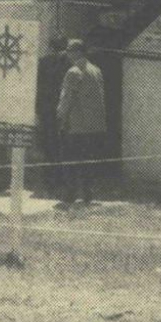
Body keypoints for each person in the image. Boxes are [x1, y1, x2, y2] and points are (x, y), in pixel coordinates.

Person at [56, 39, 107, 205]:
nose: (69, 55)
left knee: (71, 161)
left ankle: (70, 195)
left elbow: (66, 99)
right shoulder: (96, 70)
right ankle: (87, 194)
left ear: (77, 52)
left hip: (76, 126)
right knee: (88, 162)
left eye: (70, 52)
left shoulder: (73, 72)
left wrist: (60, 118)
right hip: (95, 126)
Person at [35, 36, 69, 195]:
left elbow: (38, 87)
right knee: (61, 143)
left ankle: (49, 178)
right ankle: (60, 177)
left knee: (48, 144)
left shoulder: (43, 62)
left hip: (46, 110)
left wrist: (37, 109)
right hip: (61, 110)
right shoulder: (68, 64)